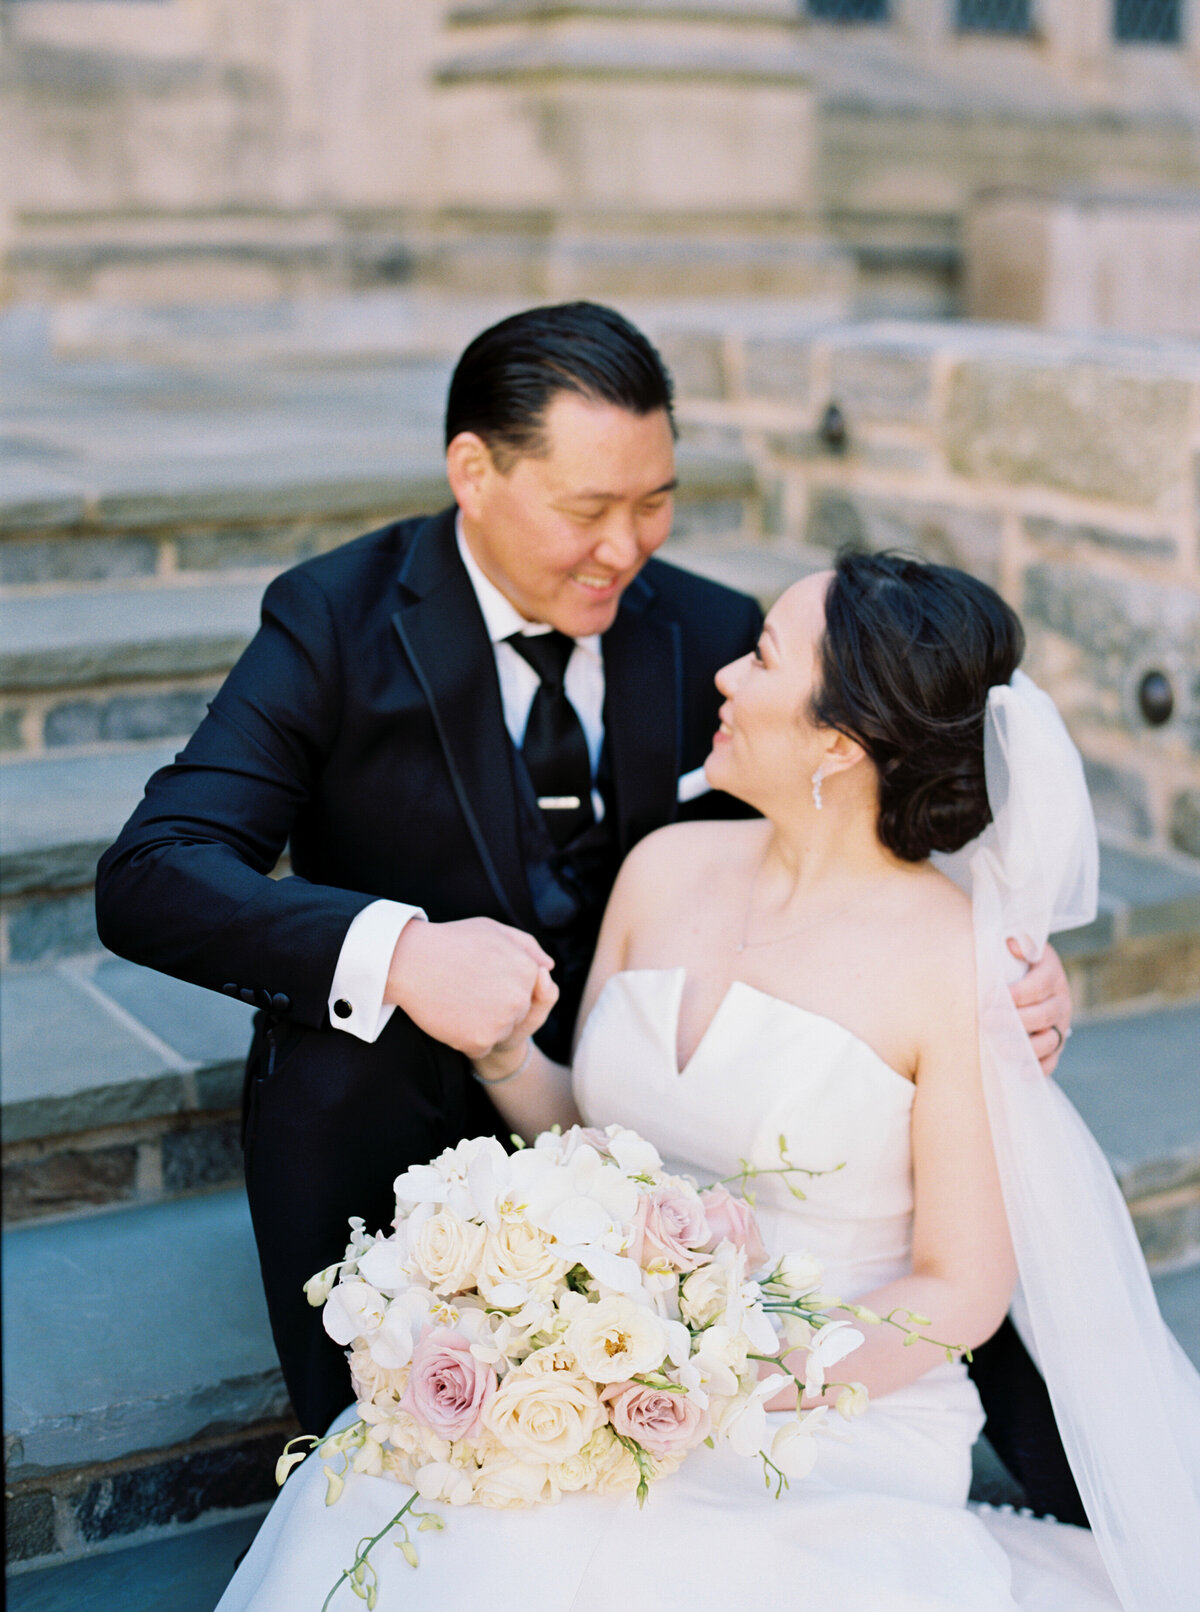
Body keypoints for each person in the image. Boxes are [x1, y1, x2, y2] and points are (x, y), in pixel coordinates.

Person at [94, 304, 1071, 1497]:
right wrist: (398, 955)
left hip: (711, 1135)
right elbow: (154, 871)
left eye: (655, 501)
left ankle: (1074, 1479)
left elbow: (864, 837)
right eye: (586, 510)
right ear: (474, 471)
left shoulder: (713, 631)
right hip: (435, 1086)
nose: (627, 548)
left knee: (964, 1262)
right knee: (331, 1062)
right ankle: (363, 1454)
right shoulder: (336, 620)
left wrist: (1006, 976)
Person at [216, 552, 1200, 1612]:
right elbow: (594, 1134)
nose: (725, 677)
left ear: (839, 737)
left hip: (830, 1415)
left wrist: (721, 1381)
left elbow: (959, 1289)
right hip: (614, 1365)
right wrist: (507, 1061)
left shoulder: (955, 963)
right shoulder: (668, 865)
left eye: (766, 657)